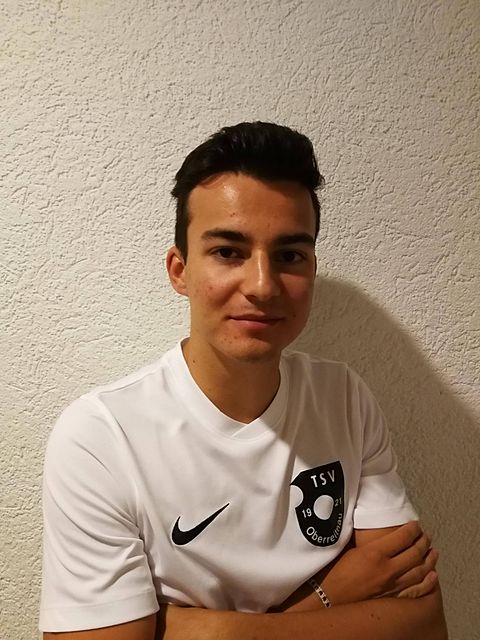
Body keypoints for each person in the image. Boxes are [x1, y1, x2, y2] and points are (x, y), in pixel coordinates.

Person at [40, 122, 448, 639]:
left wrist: (208, 631)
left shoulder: (343, 398)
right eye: (229, 252)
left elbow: (423, 623)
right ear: (179, 270)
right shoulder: (102, 437)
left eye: (289, 256)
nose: (262, 285)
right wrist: (329, 596)